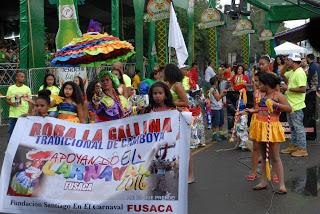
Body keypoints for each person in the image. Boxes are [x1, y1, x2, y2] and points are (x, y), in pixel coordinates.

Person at [250, 72, 292, 194]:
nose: (258, 86)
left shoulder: (278, 95)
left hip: (272, 127)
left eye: (261, 83)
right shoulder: (262, 95)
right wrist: (251, 111)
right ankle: (263, 181)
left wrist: (276, 104)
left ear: (267, 84)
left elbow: (289, 108)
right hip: (261, 127)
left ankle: (282, 184)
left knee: (275, 157)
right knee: (264, 157)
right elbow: (260, 109)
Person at [280, 53, 308, 157]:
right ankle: (294, 145)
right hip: (290, 105)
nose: (286, 61)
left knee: (298, 128)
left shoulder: (300, 72)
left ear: (293, 61)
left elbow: (303, 89)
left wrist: (288, 88)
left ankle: (302, 149)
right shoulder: (292, 71)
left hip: (296, 105)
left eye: (288, 60)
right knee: (293, 127)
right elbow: (282, 74)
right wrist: (285, 65)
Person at [6, 71, 32, 140]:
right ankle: (10, 150)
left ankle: (20, 149)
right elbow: (7, 101)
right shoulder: (11, 88)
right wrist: (12, 104)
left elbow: (30, 102)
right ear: (16, 77)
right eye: (22, 76)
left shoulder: (27, 88)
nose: (23, 78)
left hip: (23, 114)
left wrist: (29, 112)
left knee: (23, 134)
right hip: (13, 114)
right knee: (11, 132)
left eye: (24, 77)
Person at [209, 76, 227, 141]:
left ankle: (220, 134)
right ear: (215, 82)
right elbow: (218, 98)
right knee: (216, 123)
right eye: (217, 81)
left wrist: (223, 94)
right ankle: (215, 135)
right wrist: (223, 93)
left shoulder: (215, 89)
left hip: (219, 107)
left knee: (221, 122)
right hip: (215, 108)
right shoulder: (212, 90)